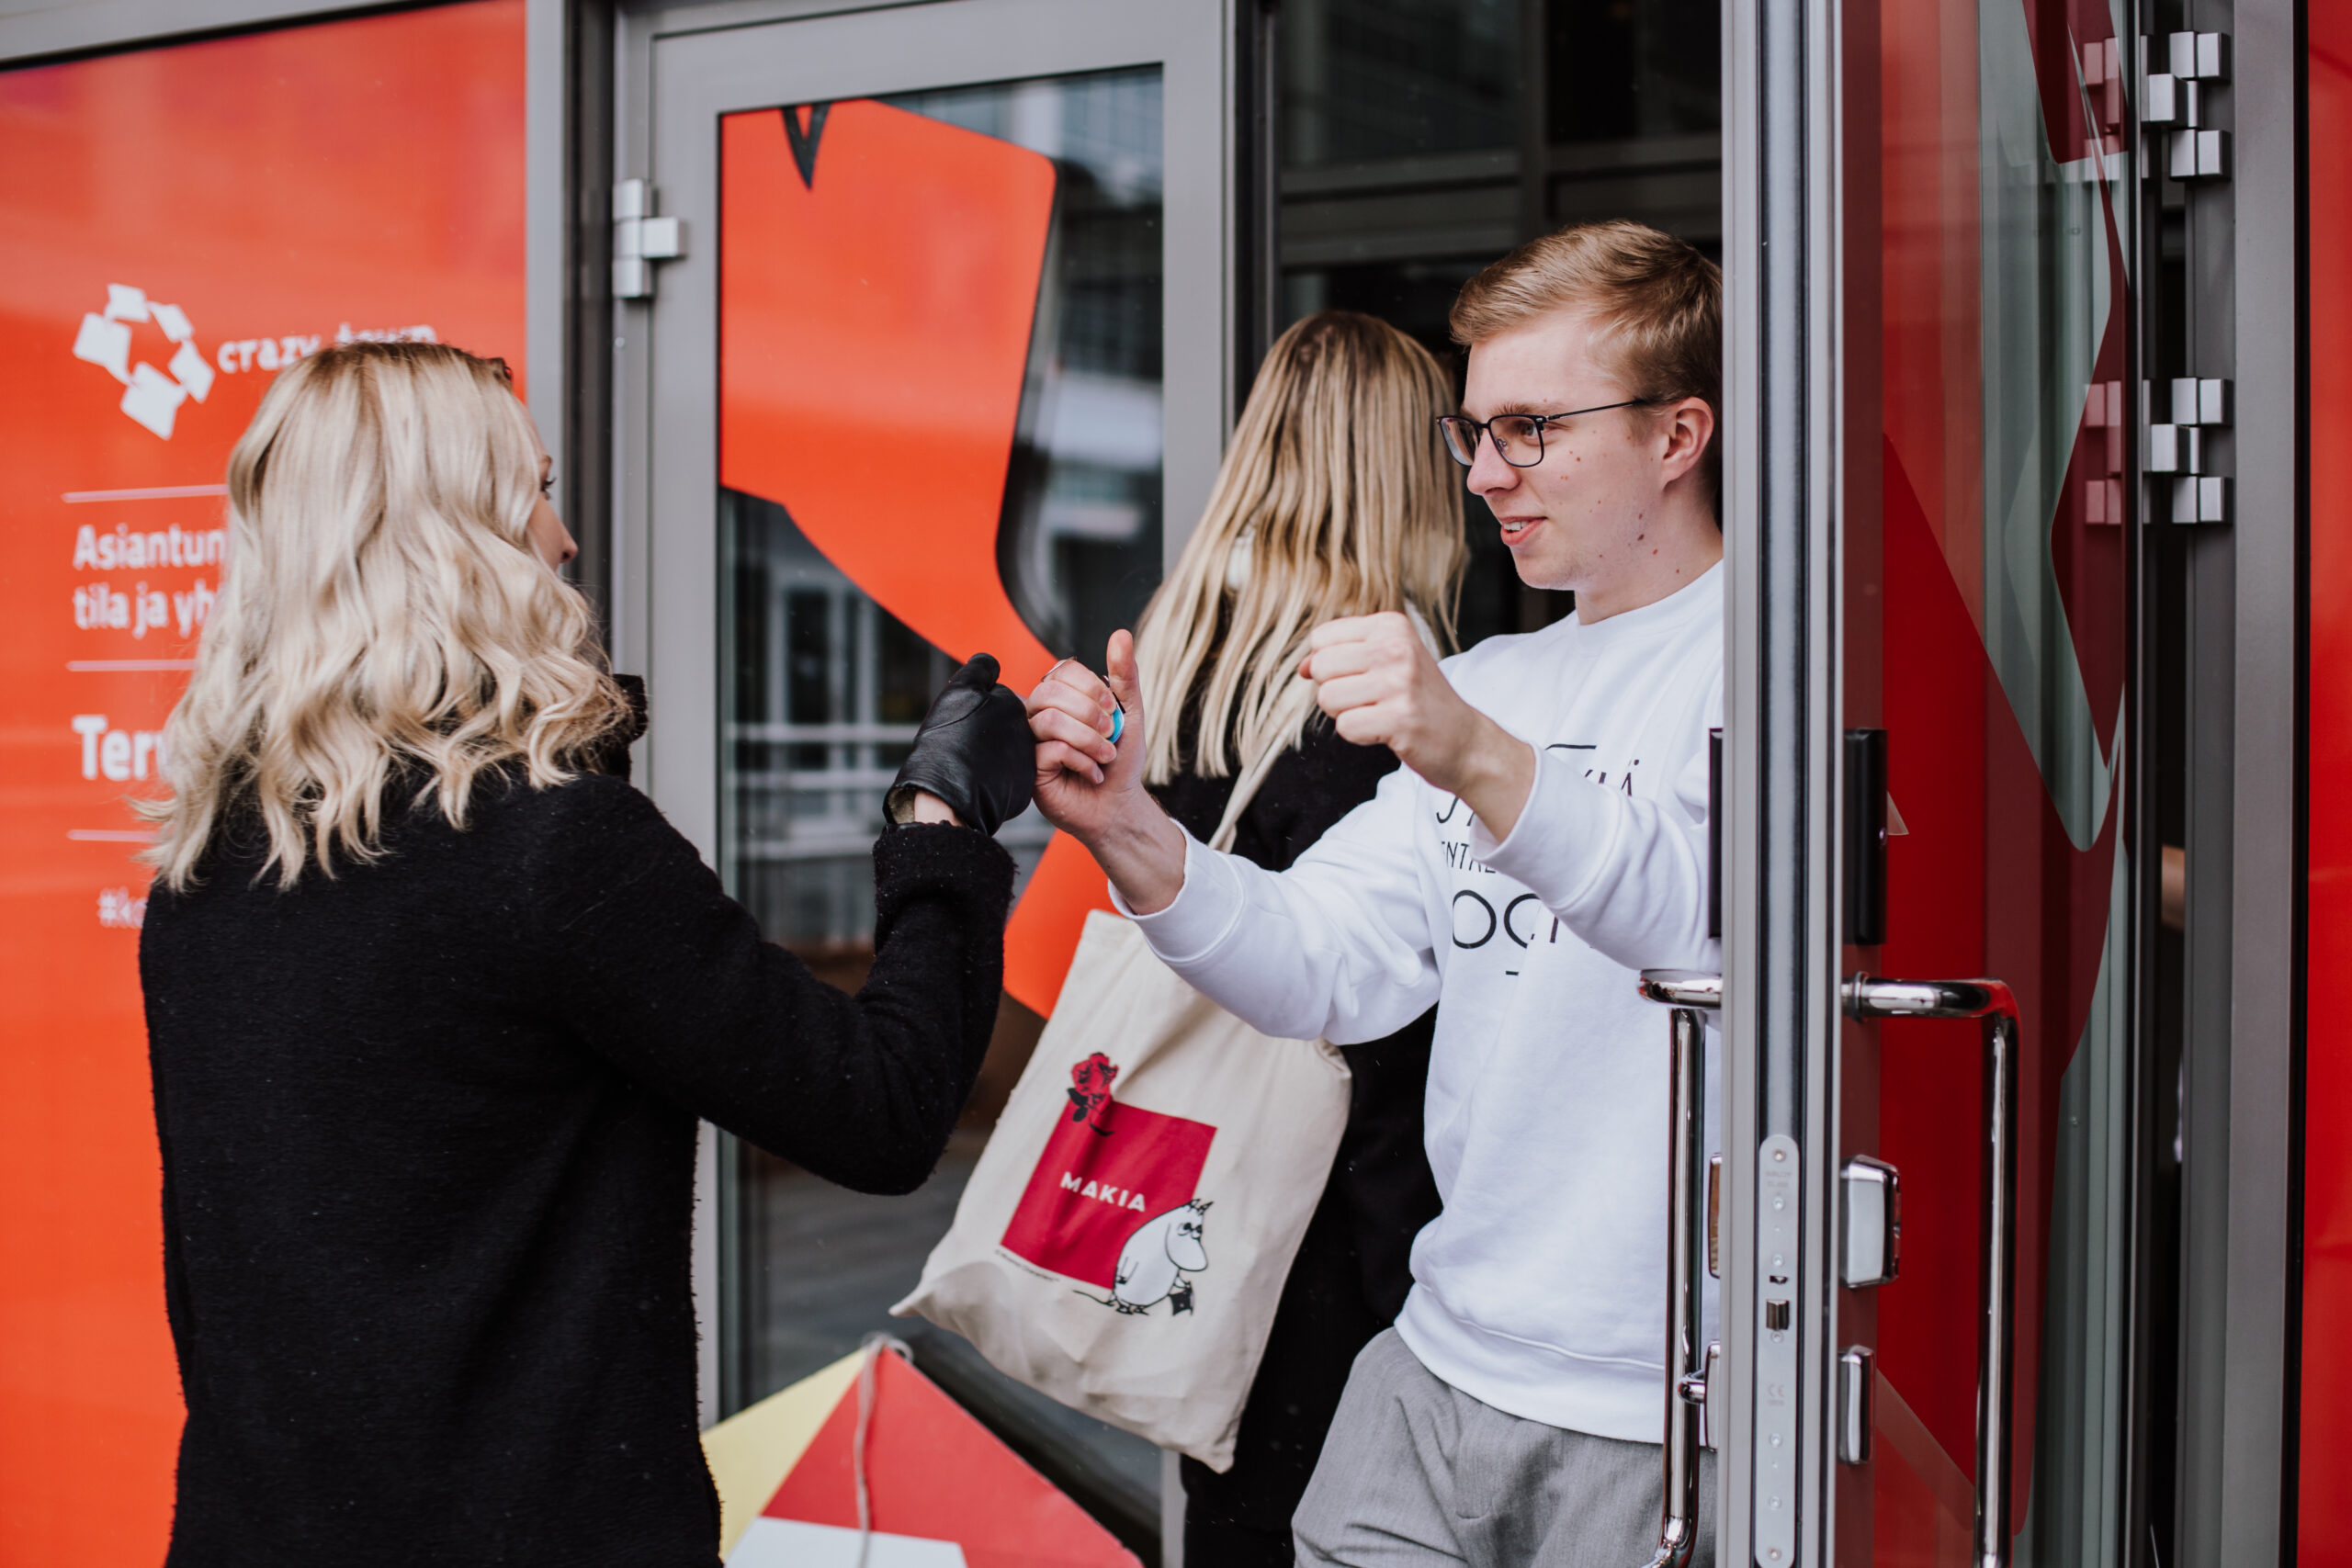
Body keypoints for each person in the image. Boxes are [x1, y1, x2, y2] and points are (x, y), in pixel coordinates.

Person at [136, 342, 1033, 1568]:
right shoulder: (548, 849)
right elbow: (880, 1109)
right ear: (461, 539)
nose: (563, 539)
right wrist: (944, 825)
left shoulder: (209, 863)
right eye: (536, 492)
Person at [1025, 220, 1724, 1566]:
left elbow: (1705, 928)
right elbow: (1327, 961)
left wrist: (1465, 751)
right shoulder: (1505, 681)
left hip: (1655, 1398)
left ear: (1677, 433)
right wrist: (1132, 836)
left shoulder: (1771, 657)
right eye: (1473, 434)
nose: (1487, 477)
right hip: (1431, 1361)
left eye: (1530, 430)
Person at [1125, 310, 1459, 1565]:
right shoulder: (1372, 702)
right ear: (1403, 469)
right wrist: (1414, 1284)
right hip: (1332, 1240)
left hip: (1201, 1186)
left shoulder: (1180, 660)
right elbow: (1374, 1040)